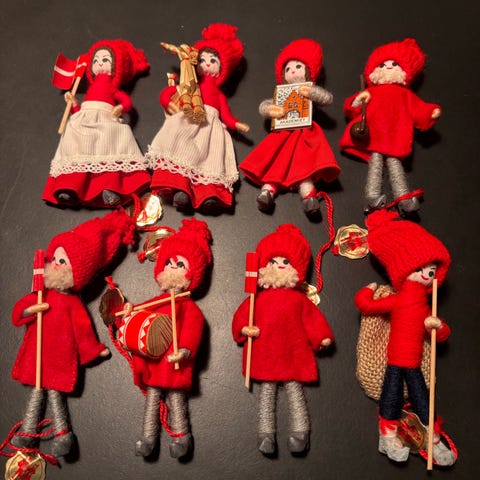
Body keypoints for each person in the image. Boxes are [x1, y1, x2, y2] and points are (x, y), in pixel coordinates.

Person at [11, 210, 135, 457]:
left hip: (60, 357)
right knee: (37, 391)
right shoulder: (41, 295)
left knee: (54, 394)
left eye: (63, 261)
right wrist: (29, 309)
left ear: (77, 272)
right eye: (55, 258)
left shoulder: (72, 304)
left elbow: (82, 330)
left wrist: (94, 349)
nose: (56, 264)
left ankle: (62, 434)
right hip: (38, 352)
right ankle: (28, 431)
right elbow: (19, 311)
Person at [354, 209, 456, 466]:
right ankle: (387, 437)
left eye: (431, 271)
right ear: (404, 268)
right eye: (421, 269)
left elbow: (442, 335)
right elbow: (368, 306)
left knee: (422, 399)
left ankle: (432, 439)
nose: (427, 275)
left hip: (413, 363)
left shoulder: (424, 307)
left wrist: (437, 326)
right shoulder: (399, 300)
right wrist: (366, 292)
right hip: (395, 361)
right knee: (391, 397)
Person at [232, 224, 333, 455]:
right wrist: (244, 328)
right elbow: (241, 317)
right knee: (267, 394)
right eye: (273, 260)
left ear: (297, 267)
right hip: (265, 351)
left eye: (286, 261)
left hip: (292, 351)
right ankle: (266, 434)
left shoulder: (299, 300)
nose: (279, 264)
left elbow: (312, 319)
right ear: (263, 265)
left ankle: (300, 431)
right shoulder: (256, 299)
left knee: (295, 391)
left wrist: (322, 336)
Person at [119, 218, 212, 458]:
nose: (172, 267)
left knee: (176, 400)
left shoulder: (189, 308)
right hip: (153, 360)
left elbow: (193, 330)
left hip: (173, 362)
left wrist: (185, 350)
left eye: (179, 264)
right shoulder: (155, 302)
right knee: (152, 400)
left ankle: (181, 437)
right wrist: (129, 311)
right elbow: (138, 315)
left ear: (191, 273)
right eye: (168, 262)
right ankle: (148, 438)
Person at [147, 24, 249, 215]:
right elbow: (170, 93)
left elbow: (226, 115)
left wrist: (236, 124)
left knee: (211, 159)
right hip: (189, 116)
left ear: (222, 68)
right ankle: (181, 190)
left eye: (213, 60)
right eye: (202, 59)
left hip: (211, 126)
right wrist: (167, 102)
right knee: (181, 150)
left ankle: (208, 195)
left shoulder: (219, 95)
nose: (207, 63)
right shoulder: (191, 84)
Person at [43, 39, 150, 208]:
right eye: (96, 60)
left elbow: (126, 102)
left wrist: (120, 108)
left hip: (106, 118)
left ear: (115, 66)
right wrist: (74, 104)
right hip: (85, 117)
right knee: (75, 146)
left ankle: (109, 188)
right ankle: (70, 186)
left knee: (109, 148)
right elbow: (79, 112)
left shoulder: (112, 88)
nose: (99, 63)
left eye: (105, 59)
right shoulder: (91, 88)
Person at [239, 39, 340, 217]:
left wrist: (311, 92)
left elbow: (327, 98)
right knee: (276, 163)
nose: (292, 71)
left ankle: (309, 197)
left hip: (305, 134)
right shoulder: (283, 94)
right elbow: (264, 106)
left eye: (298, 66)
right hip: (283, 133)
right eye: (287, 69)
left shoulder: (308, 89)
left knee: (304, 166)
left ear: (308, 70)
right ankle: (267, 192)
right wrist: (271, 109)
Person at [339, 39, 441, 215]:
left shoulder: (405, 95)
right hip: (373, 134)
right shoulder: (371, 92)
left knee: (394, 165)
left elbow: (418, 108)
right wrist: (358, 100)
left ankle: (403, 198)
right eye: (382, 64)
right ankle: (373, 197)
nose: (388, 67)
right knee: (376, 163)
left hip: (395, 135)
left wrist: (430, 113)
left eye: (394, 64)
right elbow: (351, 107)